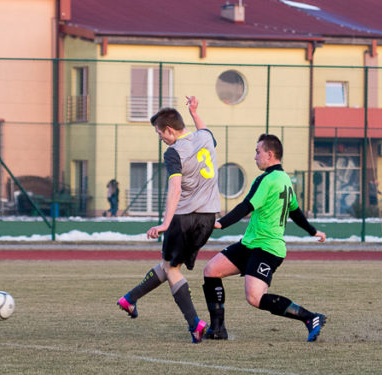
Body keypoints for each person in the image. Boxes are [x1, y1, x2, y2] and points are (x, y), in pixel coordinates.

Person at [201, 134, 327, 342]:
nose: (255, 157)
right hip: (250, 244)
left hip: (268, 248)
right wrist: (313, 231)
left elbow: (246, 206)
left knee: (255, 297)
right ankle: (217, 329)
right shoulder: (284, 179)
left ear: (270, 154)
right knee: (211, 270)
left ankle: (310, 317)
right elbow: (295, 211)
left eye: (258, 152)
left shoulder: (266, 180)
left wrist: (220, 223)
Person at [116, 96, 219, 343]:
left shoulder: (173, 152)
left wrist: (165, 223)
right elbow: (204, 129)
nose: (160, 137)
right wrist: (195, 112)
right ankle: (129, 299)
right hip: (208, 218)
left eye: (160, 133)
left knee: (171, 268)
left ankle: (195, 324)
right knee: (169, 264)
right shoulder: (205, 138)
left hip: (184, 218)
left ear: (170, 130)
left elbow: (175, 188)